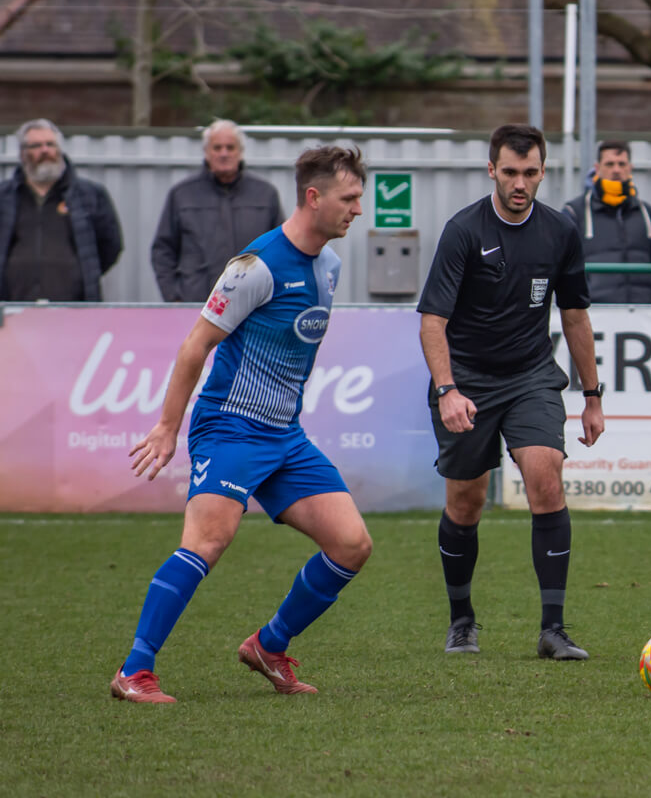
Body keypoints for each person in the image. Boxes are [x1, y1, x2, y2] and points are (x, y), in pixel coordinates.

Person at [110, 146, 372, 703]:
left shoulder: (330, 263)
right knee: (209, 540)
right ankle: (134, 671)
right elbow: (194, 348)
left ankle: (268, 646)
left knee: (351, 544)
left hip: (284, 435)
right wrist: (166, 426)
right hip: (230, 426)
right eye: (349, 199)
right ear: (313, 196)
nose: (357, 210)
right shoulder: (253, 268)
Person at [418, 124, 604, 661]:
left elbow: (574, 315)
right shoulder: (463, 231)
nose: (520, 183)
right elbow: (433, 321)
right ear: (492, 171)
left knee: (546, 477)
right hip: (467, 381)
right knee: (466, 502)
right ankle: (461, 620)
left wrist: (592, 396)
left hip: (530, 377)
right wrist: (447, 390)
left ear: (542, 172)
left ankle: (553, 629)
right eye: (510, 172)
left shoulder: (560, 231)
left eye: (530, 172)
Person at [151, 119, 285, 302]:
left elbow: (281, 250)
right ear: (206, 152)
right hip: (196, 305)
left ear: (240, 152)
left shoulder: (265, 194)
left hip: (252, 306)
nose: (224, 153)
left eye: (230, 148)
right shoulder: (182, 194)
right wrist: (174, 297)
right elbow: (163, 251)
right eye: (217, 148)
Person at [0, 118, 122, 301]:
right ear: (23, 153)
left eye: (50, 144)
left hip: (73, 308)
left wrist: (83, 274)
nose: (45, 150)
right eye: (36, 145)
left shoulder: (90, 194)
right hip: (11, 308)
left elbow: (110, 246)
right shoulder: (4, 196)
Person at [561, 140, 651, 303]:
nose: (616, 170)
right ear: (597, 168)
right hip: (594, 310)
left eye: (621, 164)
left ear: (630, 168)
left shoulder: (646, 211)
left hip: (642, 310)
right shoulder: (575, 211)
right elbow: (562, 261)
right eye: (609, 164)